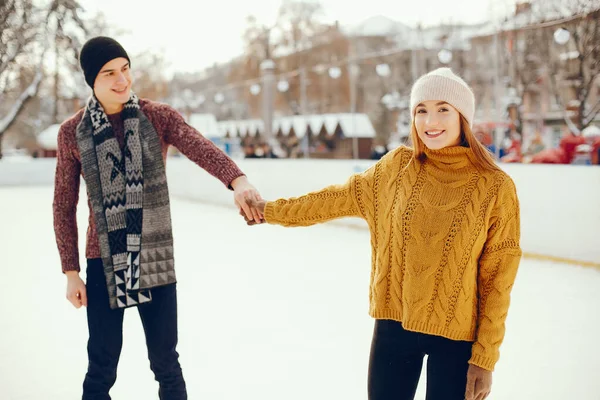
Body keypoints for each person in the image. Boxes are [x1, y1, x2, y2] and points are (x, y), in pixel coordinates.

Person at [243, 68, 522, 400]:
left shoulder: (495, 187)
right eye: (421, 110)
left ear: (463, 117)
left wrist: (485, 359)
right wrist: (270, 210)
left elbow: (497, 280)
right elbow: (330, 200)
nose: (430, 120)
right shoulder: (395, 169)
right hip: (394, 325)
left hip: (457, 336)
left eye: (443, 108)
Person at [53, 36, 263, 400]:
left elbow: (199, 146)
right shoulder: (73, 132)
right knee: (101, 366)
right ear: (92, 80)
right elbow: (63, 204)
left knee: (166, 362)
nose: (122, 80)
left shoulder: (157, 117)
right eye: (109, 74)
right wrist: (71, 271)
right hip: (102, 259)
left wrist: (237, 178)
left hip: (155, 256)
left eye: (125, 69)